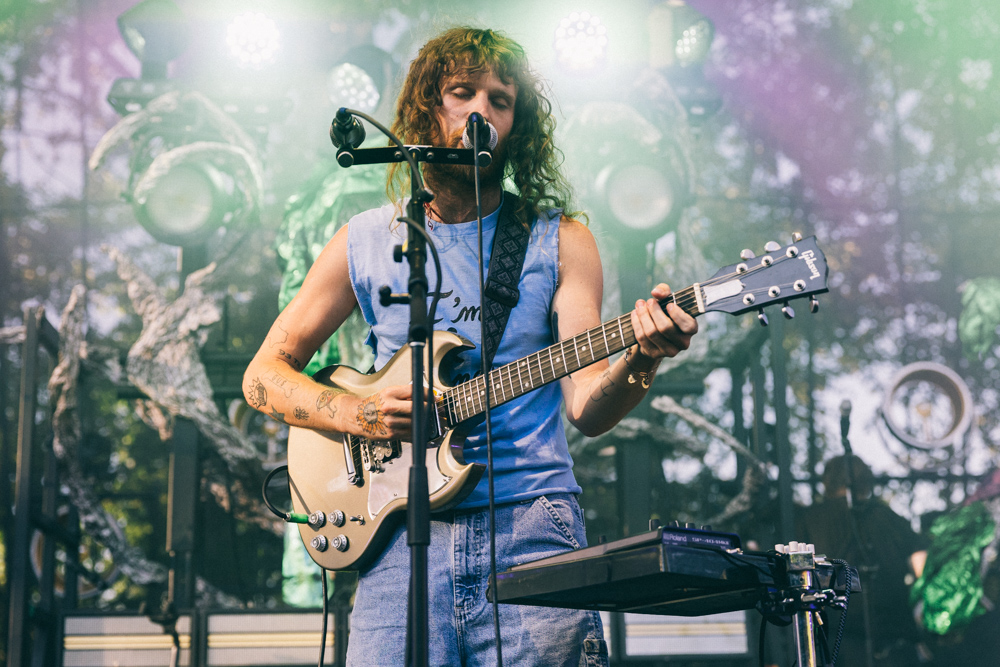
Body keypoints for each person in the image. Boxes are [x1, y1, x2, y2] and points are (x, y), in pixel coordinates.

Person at [243, 26, 698, 666]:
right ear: (429, 106)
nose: (482, 109)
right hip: (396, 533)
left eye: (501, 100)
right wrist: (357, 414)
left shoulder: (559, 240)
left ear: (518, 125)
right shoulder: (364, 239)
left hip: (531, 527)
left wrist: (644, 355)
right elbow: (263, 375)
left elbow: (589, 408)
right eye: (463, 92)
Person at [795, 454, 928, 667]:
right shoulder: (886, 516)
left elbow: (797, 579)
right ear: (866, 481)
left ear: (827, 482)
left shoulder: (809, 520)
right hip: (893, 641)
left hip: (837, 641)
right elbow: (921, 566)